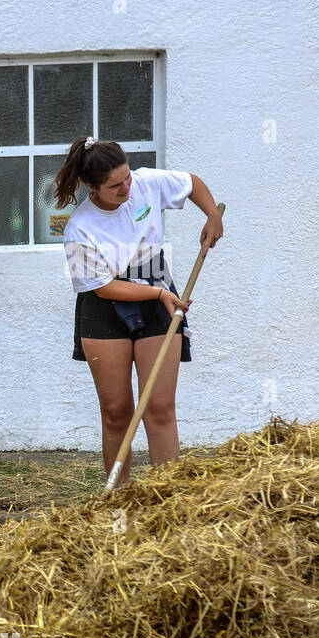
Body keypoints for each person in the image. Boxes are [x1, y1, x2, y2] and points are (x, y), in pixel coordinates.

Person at [55, 136, 223, 487]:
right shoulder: (79, 228)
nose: (126, 188)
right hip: (104, 305)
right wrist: (157, 293)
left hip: (156, 290)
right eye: (115, 185)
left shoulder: (145, 182)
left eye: (127, 177)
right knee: (116, 414)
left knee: (159, 407)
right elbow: (102, 286)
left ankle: (169, 498)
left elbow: (191, 183)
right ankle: (120, 500)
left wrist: (210, 216)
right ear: (91, 186)